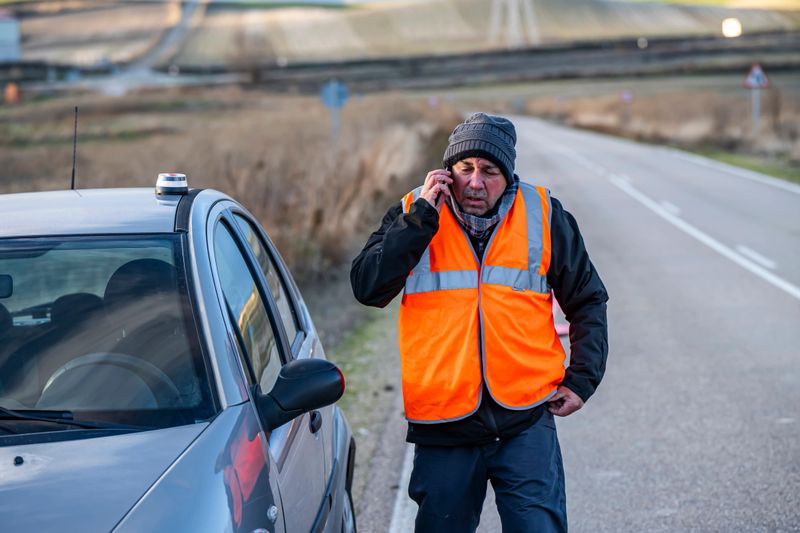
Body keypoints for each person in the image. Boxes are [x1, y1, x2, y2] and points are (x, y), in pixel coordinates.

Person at [350, 112, 608, 532]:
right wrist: (418, 223)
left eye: (489, 171)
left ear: (508, 176)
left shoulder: (543, 215)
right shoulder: (413, 212)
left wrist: (582, 379)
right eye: (464, 168)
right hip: (444, 424)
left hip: (525, 420)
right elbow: (368, 288)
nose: (475, 182)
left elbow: (588, 299)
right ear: (447, 171)